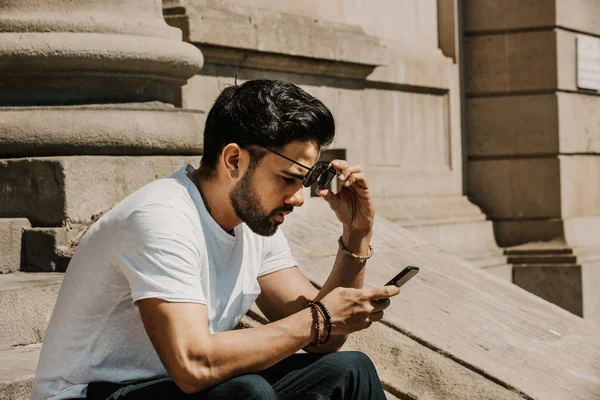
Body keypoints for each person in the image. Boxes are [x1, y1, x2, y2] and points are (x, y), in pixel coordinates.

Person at [31, 79, 400, 400]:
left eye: (304, 181)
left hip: (171, 389)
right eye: (288, 178)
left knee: (348, 368)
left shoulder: (254, 222)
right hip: (92, 394)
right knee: (244, 393)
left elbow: (324, 338)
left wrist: (356, 233)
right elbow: (194, 364)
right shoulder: (161, 217)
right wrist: (320, 318)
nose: (298, 197)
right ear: (234, 160)